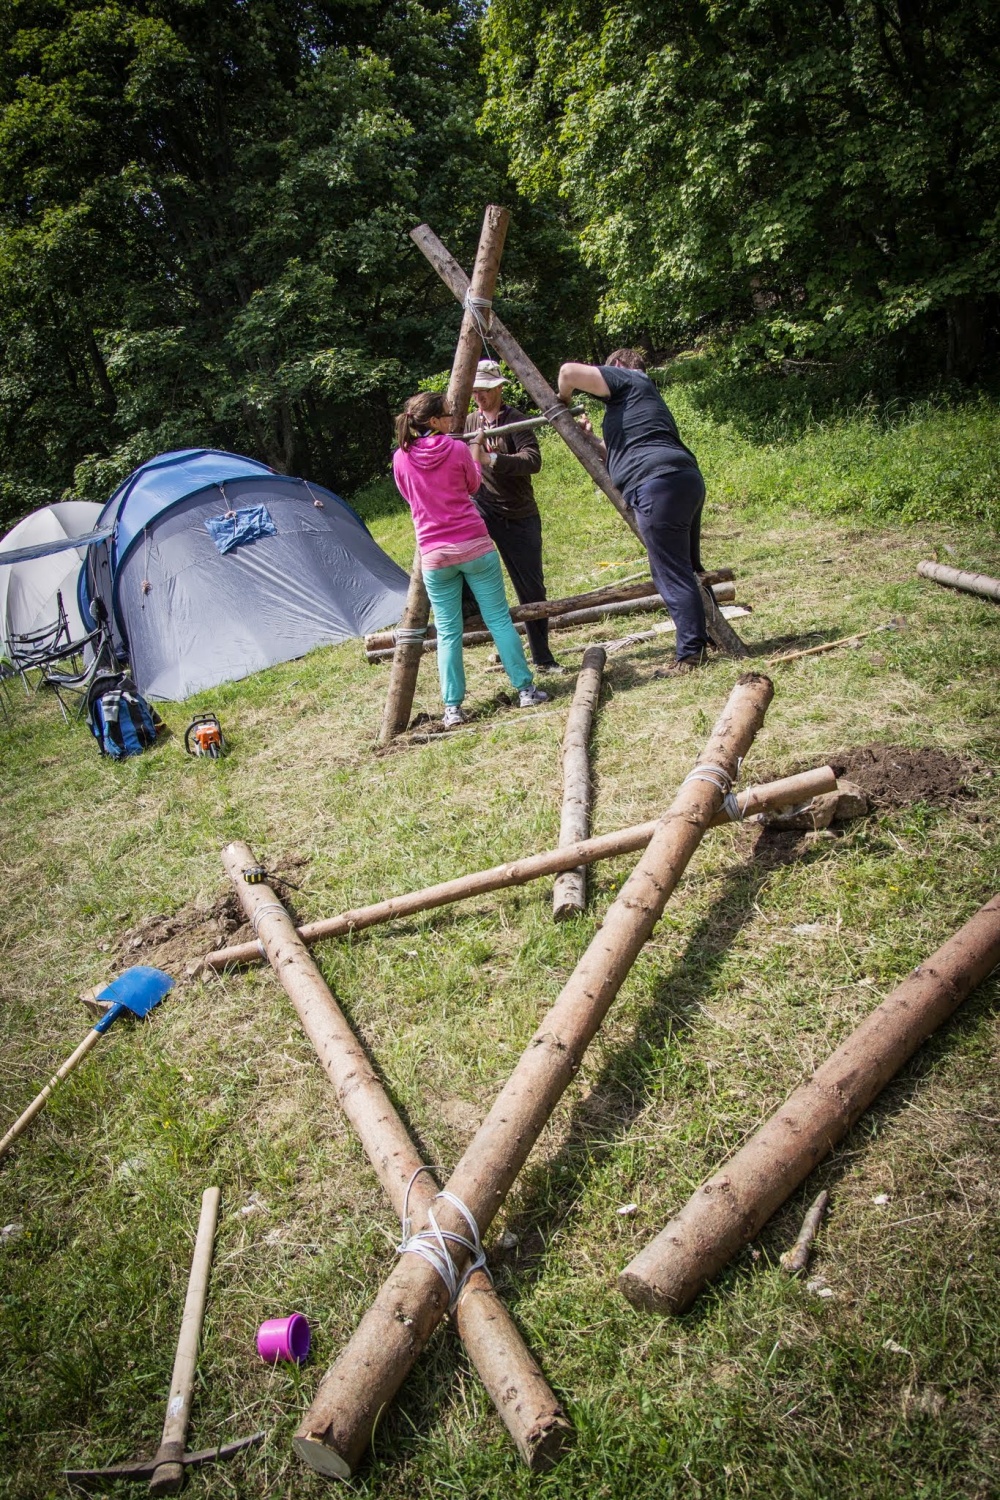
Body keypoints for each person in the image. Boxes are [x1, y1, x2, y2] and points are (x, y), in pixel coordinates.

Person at [392, 390, 550, 727]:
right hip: (474, 545)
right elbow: (474, 485)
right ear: (433, 421)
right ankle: (525, 689)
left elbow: (408, 495)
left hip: (434, 554)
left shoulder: (400, 458)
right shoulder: (458, 449)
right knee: (498, 620)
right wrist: (475, 451)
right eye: (447, 414)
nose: (453, 419)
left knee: (448, 632)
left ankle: (452, 709)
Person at [556, 348, 709, 674]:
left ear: (619, 366)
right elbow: (622, 452)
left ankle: (690, 655)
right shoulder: (641, 398)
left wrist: (563, 400)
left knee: (671, 573)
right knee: (687, 568)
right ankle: (708, 637)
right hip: (682, 478)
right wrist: (593, 439)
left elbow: (568, 372)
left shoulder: (628, 377)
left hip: (656, 485)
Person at [463, 359, 562, 673]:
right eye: (475, 391)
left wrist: (492, 458)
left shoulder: (515, 419)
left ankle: (542, 657)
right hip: (481, 508)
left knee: (530, 587)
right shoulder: (467, 422)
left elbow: (532, 460)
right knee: (458, 561)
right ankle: (475, 624)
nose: (480, 396)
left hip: (517, 513)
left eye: (486, 390)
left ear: (500, 388)